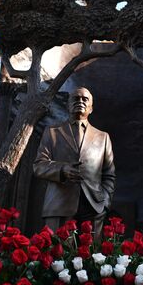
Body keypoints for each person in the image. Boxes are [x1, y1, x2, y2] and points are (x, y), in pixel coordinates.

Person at [33, 87, 115, 241]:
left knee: (91, 260)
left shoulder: (103, 137)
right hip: (59, 205)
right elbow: (39, 165)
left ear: (91, 108)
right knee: (57, 259)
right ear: (67, 105)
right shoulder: (51, 132)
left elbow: (109, 174)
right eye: (75, 98)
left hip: (93, 208)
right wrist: (62, 170)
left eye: (85, 99)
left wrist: (104, 202)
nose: (80, 101)